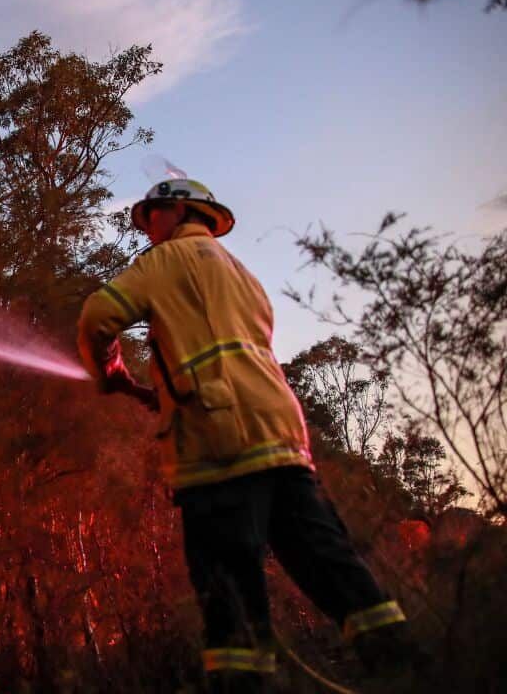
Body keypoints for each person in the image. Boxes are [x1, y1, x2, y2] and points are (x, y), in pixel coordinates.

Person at [76, 179, 414, 693]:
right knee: (327, 560)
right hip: (281, 434)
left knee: (228, 589)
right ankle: (406, 665)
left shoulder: (166, 262)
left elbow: (98, 317)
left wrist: (112, 375)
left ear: (179, 211)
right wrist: (164, 391)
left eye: (151, 218)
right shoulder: (243, 274)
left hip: (219, 445)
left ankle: (242, 683)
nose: (147, 232)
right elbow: (217, 351)